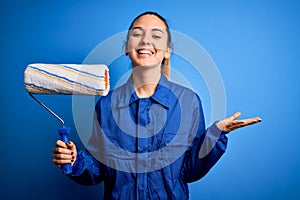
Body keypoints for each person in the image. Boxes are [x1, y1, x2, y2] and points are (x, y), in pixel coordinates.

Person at [52, 11, 261, 199]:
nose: (145, 41)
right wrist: (74, 160)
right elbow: (98, 167)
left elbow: (190, 170)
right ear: (126, 47)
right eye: (137, 34)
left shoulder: (188, 102)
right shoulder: (106, 105)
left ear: (167, 51)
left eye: (156, 36)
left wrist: (215, 134)